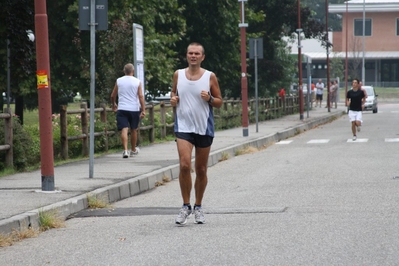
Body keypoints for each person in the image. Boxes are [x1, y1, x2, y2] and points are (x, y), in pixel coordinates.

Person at [170, 42, 223, 225]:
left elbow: (219, 101)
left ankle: (198, 206)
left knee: (201, 170)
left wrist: (209, 98)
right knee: (185, 165)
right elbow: (173, 93)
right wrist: (173, 100)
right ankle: (185, 206)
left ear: (202, 57)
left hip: (203, 127)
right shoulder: (178, 74)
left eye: (197, 53)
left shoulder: (210, 77)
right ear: (187, 56)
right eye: (190, 53)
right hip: (183, 126)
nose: (193, 56)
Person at [110, 63, 146, 158]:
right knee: (134, 129)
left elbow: (113, 95)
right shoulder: (137, 81)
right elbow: (141, 96)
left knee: (124, 129)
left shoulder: (119, 81)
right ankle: (133, 150)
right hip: (134, 109)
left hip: (122, 108)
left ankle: (125, 150)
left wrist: (114, 104)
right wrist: (143, 109)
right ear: (133, 71)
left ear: (124, 71)